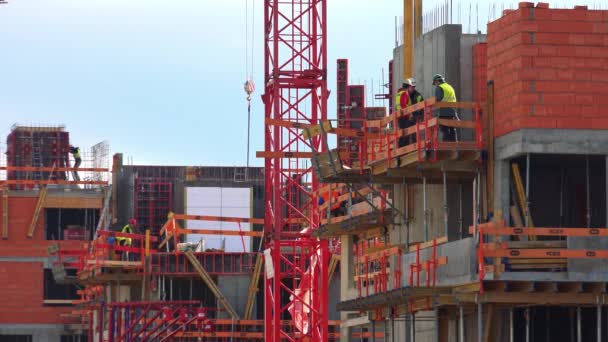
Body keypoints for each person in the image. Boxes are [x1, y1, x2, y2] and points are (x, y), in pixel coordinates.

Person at [432, 74, 460, 141]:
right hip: (453, 112)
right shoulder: (450, 87)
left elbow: (438, 100)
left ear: (437, 81)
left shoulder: (440, 87)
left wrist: (434, 111)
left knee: (445, 130)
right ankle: (454, 146)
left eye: (435, 83)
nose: (435, 85)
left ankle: (446, 147)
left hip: (444, 112)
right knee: (452, 129)